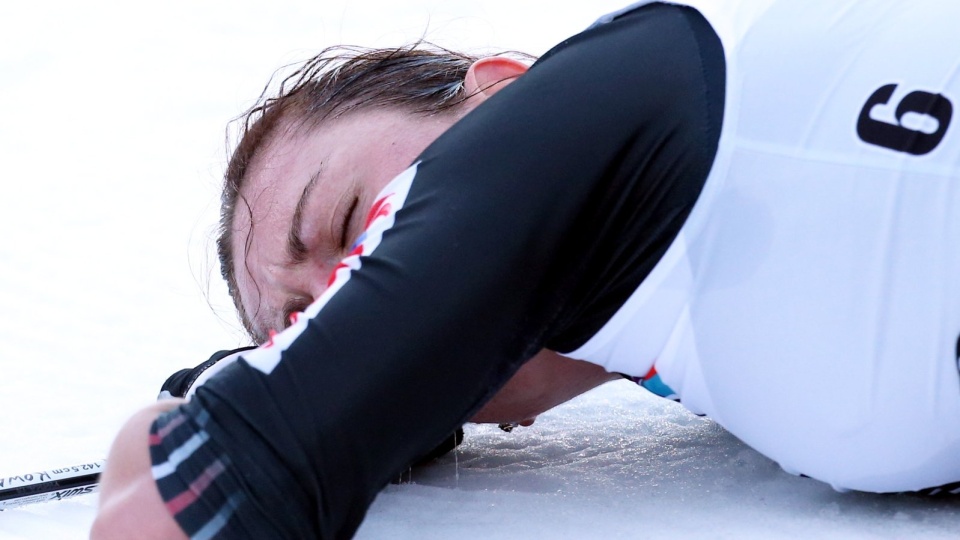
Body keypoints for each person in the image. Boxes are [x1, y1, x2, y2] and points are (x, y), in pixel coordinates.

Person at [92, 0, 960, 538]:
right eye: (303, 321)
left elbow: (198, 498)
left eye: (355, 221)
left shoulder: (636, 80)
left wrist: (274, 409)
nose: (350, 288)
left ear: (503, 88)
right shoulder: (724, 370)